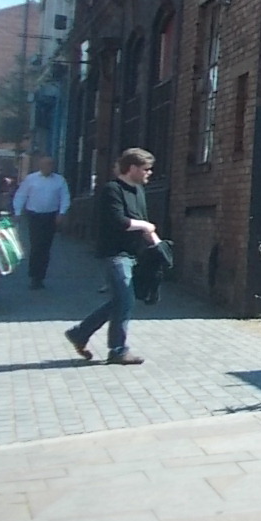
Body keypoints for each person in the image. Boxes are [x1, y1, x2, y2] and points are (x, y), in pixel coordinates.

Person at [64, 148, 158, 365]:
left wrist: (157, 245)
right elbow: (119, 221)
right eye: (146, 169)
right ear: (132, 168)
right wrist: (145, 226)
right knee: (125, 299)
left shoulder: (139, 191)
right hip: (115, 254)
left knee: (120, 300)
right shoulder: (112, 190)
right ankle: (118, 349)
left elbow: (143, 222)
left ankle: (80, 333)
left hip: (133, 254)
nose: (149, 173)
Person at [12, 156, 71, 289]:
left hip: (50, 216)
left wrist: (61, 213)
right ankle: (34, 276)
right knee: (36, 246)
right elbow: (21, 195)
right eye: (46, 164)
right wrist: (17, 212)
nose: (49, 167)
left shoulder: (59, 180)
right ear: (40, 166)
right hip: (34, 216)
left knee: (45, 247)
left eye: (51, 164)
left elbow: (65, 197)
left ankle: (40, 276)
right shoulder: (31, 179)